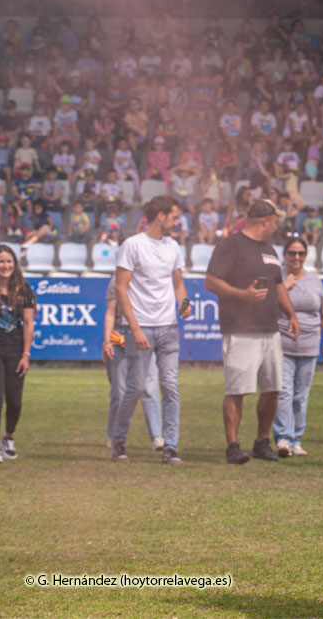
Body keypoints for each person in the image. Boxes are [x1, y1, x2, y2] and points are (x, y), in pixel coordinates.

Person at [205, 199, 299, 464]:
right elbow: (210, 281)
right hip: (240, 328)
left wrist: (291, 314)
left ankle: (261, 441)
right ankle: (233, 446)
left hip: (270, 328)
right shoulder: (230, 245)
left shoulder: (270, 248)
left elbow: (279, 285)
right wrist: (242, 295)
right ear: (265, 220)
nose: (277, 225)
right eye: (276, 220)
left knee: (272, 389)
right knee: (237, 389)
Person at [111, 196, 191, 464]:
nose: (177, 222)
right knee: (135, 387)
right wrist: (135, 329)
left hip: (169, 326)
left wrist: (185, 304)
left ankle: (171, 446)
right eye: (174, 217)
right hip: (141, 327)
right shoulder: (132, 245)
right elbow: (121, 288)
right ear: (160, 216)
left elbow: (178, 284)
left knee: (170, 386)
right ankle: (119, 440)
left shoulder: (174, 247)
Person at [273, 237, 323, 458]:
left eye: (300, 253)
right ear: (284, 255)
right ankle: (283, 438)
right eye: (292, 253)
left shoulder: (315, 280)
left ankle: (297, 438)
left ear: (306, 256)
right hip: (282, 344)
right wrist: (282, 288)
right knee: (284, 392)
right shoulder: (276, 277)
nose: (296, 257)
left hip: (309, 345)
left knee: (301, 396)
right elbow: (264, 305)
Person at [102, 271, 163, 453]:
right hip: (119, 337)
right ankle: (115, 436)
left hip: (145, 337)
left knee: (150, 387)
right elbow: (111, 312)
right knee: (119, 391)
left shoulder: (153, 280)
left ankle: (157, 437)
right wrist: (106, 341)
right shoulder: (116, 281)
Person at [0, 244, 33, 462]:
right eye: (1, 261)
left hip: (15, 349)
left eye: (9, 261)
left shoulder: (24, 289)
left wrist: (26, 355)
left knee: (15, 401)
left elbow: (29, 324)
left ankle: (8, 437)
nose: (5, 265)